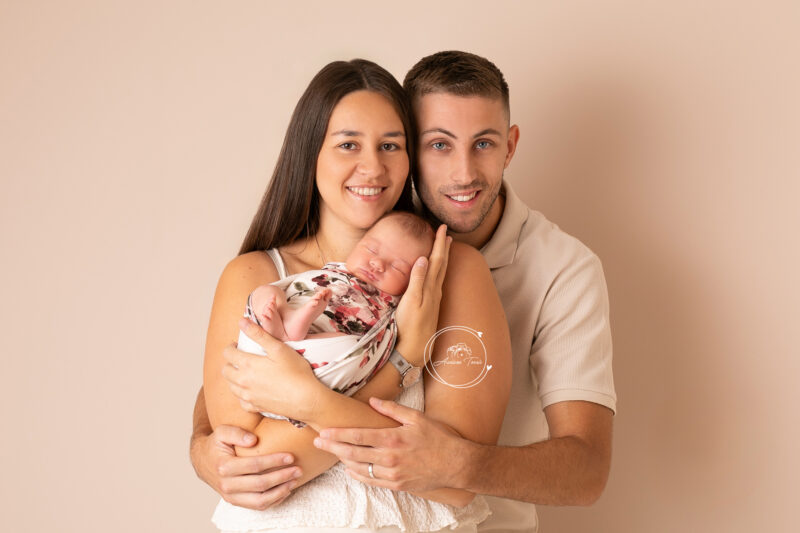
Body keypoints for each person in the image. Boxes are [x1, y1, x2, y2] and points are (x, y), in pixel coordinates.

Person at [193, 51, 615, 532]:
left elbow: (454, 474)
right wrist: (403, 360)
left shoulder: (457, 272)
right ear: (309, 151)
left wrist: (307, 402)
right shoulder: (253, 275)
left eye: (390, 145)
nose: (372, 167)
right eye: (348, 144)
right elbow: (255, 470)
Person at [240, 212, 434, 426]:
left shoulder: (393, 304)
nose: (377, 263)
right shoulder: (334, 270)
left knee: (347, 345)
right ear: (357, 244)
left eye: (398, 267)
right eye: (371, 249)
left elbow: (383, 341)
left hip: (317, 360)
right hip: (268, 340)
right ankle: (289, 322)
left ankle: (295, 330)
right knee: (266, 292)